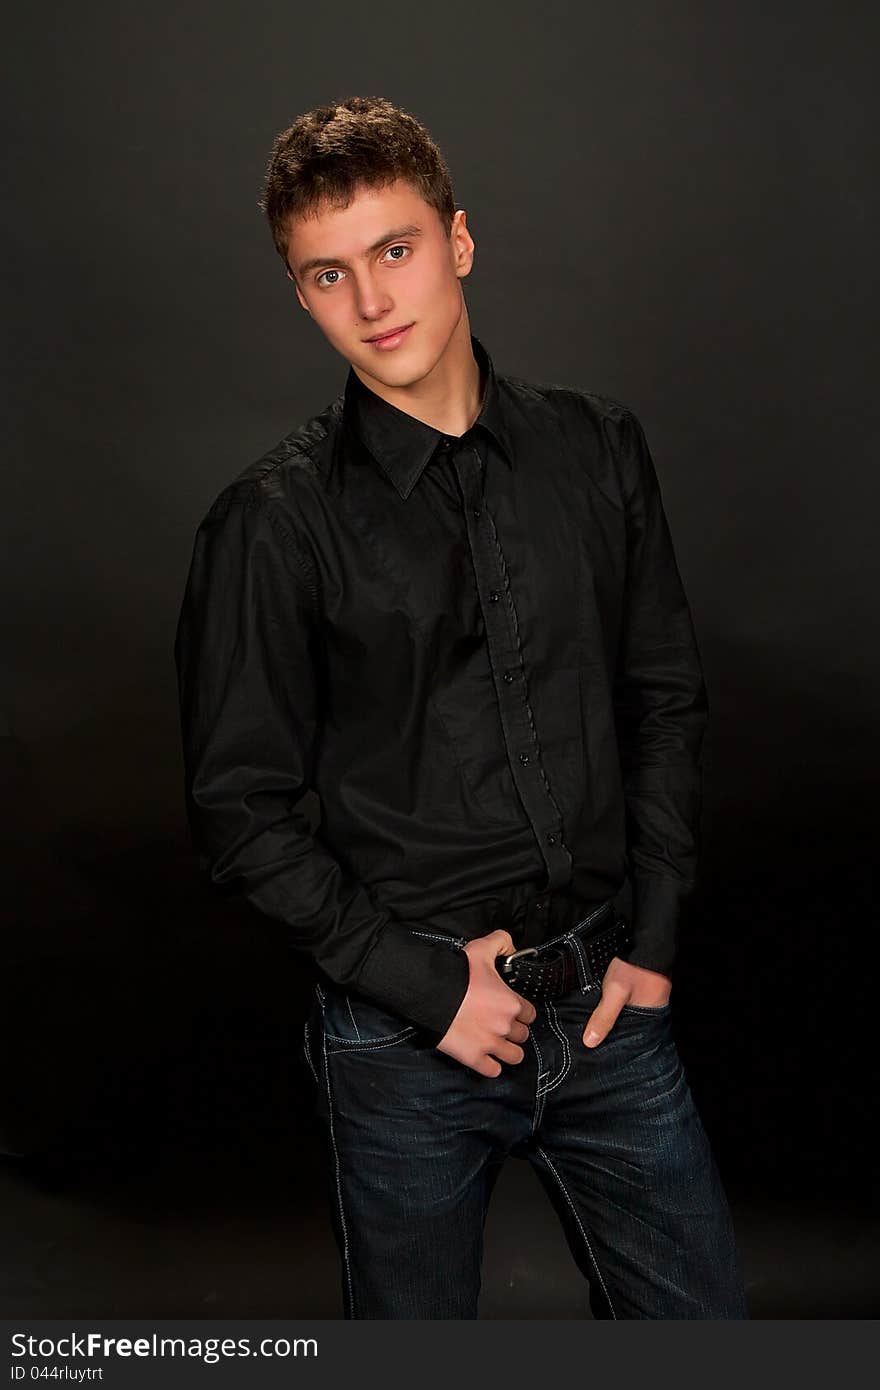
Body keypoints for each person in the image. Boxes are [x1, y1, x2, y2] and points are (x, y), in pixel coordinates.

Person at [173, 95, 749, 1320]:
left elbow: (663, 696)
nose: (373, 301)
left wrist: (651, 935)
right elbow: (239, 811)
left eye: (397, 250)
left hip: (608, 1010)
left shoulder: (597, 449)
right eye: (328, 274)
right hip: (405, 1037)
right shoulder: (271, 526)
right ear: (300, 293)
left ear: (460, 240)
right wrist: (424, 988)